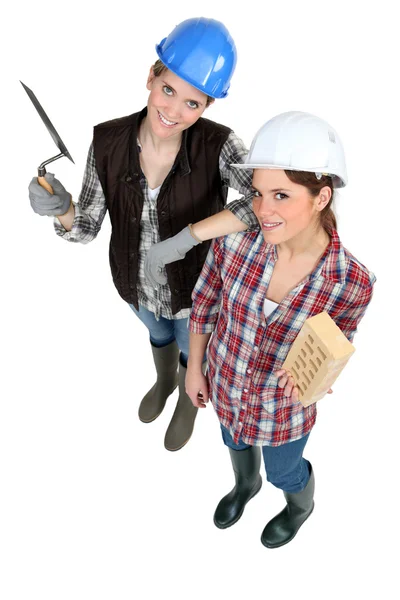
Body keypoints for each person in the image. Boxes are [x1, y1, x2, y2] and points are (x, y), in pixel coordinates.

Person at [28, 17, 257, 452]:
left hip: (197, 291)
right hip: (134, 284)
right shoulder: (106, 142)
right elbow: (85, 228)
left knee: (193, 346)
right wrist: (60, 211)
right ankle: (163, 379)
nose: (173, 111)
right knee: (157, 333)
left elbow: (267, 203)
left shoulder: (221, 146)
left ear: (207, 107)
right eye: (168, 90)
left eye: (193, 103)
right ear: (151, 77)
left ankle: (189, 397)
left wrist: (191, 235)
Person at [185, 111, 376, 548]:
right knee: (232, 440)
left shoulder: (351, 282)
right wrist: (194, 368)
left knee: (284, 471)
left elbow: (340, 341)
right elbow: (205, 304)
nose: (261, 210)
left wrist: (322, 376)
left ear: (321, 196)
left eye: (281, 195)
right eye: (257, 193)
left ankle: (299, 507)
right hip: (225, 383)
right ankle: (244, 486)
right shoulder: (233, 243)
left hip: (283, 411)